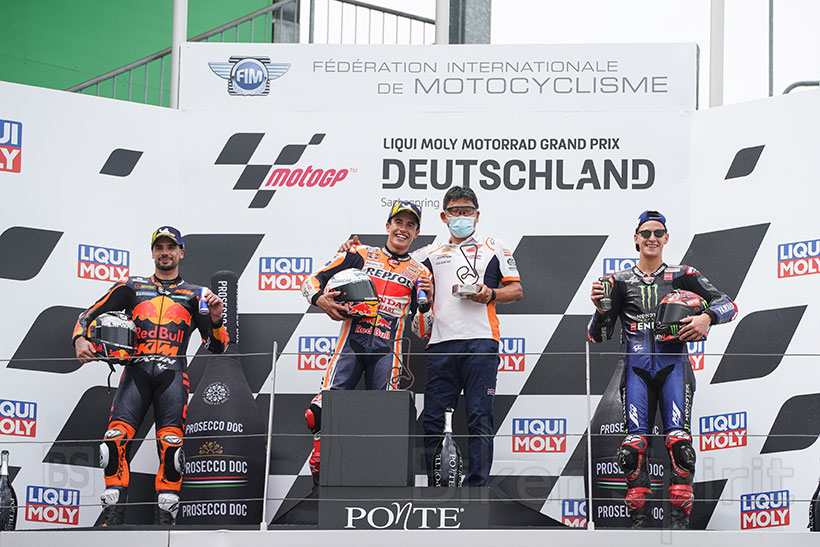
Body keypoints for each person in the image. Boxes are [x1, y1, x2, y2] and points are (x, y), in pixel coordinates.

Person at [587, 210, 737, 529]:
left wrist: (706, 318)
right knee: (632, 449)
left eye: (658, 233)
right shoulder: (617, 281)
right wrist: (600, 311)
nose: (652, 238)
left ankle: (679, 525)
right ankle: (638, 523)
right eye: (646, 233)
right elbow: (597, 336)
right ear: (636, 238)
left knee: (680, 446)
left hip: (675, 368)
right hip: (635, 371)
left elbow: (728, 304)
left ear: (666, 238)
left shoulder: (683, 274)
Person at [72, 226, 228, 526]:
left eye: (171, 247)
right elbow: (87, 315)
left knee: (172, 449)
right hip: (135, 374)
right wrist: (80, 339)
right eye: (160, 248)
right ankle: (112, 518)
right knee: (113, 442)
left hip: (173, 377)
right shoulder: (131, 287)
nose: (165, 253)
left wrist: (217, 318)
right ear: (152, 252)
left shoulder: (197, 295)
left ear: (181, 252)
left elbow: (217, 347)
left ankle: (165, 522)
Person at [301, 201, 434, 484]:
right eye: (398, 222)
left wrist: (425, 306)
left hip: (389, 351)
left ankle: (378, 483)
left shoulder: (421, 273)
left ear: (417, 233)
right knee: (319, 412)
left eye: (410, 225)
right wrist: (320, 299)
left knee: (386, 422)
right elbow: (312, 281)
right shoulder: (360, 253)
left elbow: (422, 331)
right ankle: (321, 474)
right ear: (388, 226)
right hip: (351, 343)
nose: (403, 229)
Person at [417, 186, 523, 487]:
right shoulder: (428, 253)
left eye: (467, 211)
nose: (461, 216)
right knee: (434, 419)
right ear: (444, 216)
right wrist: (353, 251)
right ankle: (438, 487)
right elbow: (394, 262)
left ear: (477, 215)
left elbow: (516, 290)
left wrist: (491, 294)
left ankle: (476, 488)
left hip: (481, 343)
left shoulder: (495, 246)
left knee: (480, 417)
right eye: (455, 211)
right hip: (441, 344)